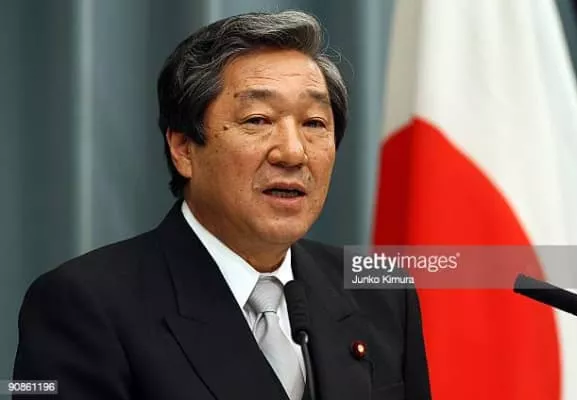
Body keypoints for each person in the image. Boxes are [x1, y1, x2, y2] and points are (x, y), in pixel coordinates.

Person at [13, 10, 431, 400]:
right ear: (183, 148)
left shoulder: (381, 292)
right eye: (258, 120)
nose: (293, 152)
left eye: (314, 123)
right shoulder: (83, 305)